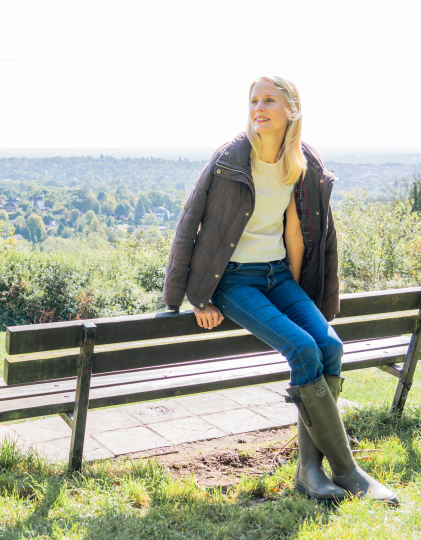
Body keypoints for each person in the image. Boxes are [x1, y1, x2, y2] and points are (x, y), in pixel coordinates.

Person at [161, 76, 398, 505]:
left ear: (292, 109)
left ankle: (309, 471)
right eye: (254, 100)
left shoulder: (300, 160)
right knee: (303, 349)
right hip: (232, 280)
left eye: (269, 100)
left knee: (328, 345)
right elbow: (189, 223)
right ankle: (348, 473)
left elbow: (300, 234)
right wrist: (191, 297)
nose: (259, 107)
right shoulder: (229, 159)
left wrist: (297, 291)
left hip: (277, 276)